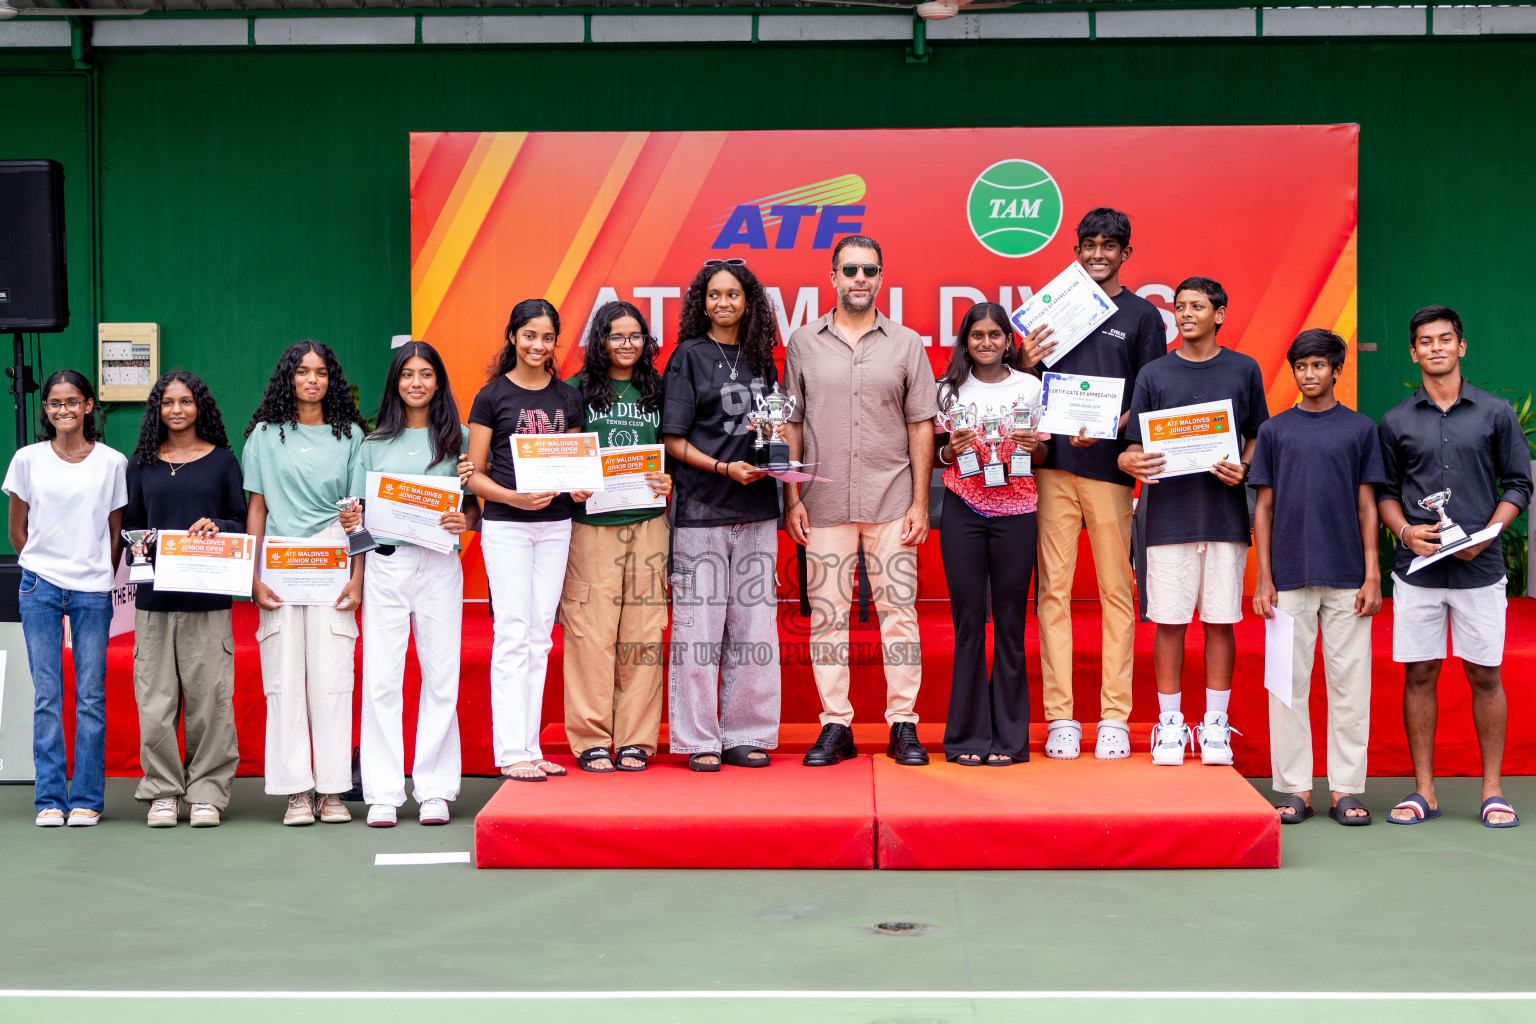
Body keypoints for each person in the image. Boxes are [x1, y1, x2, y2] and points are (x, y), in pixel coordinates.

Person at [784, 235, 939, 767]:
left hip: (892, 498)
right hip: (821, 500)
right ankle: (836, 726)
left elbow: (922, 425)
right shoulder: (802, 341)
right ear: (832, 276)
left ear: (881, 276)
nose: (859, 278)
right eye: (850, 269)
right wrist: (792, 496)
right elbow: (791, 423)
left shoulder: (907, 343)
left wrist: (921, 502)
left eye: (869, 270)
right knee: (828, 614)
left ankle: (902, 724)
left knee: (899, 613)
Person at [1021, 208, 1167, 761]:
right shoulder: (1053, 305)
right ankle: (1061, 717)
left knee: (1116, 594)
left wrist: (1112, 429)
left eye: (1110, 245)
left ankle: (1112, 717)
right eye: (1089, 244)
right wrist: (1026, 361)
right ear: (1076, 249)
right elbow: (1022, 389)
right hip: (1052, 467)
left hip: (1109, 470)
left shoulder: (1142, 315)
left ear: (1126, 253)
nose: (1098, 253)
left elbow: (1151, 395)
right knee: (1052, 594)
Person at [1376, 305, 1528, 828]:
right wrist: (1404, 531)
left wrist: (1487, 534)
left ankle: (1492, 790)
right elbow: (1386, 493)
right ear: (1413, 352)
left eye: (1445, 339)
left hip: (1479, 570)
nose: (1436, 347)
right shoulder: (1395, 420)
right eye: (1425, 341)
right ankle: (1424, 792)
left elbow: (1519, 485)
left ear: (1461, 347)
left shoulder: (1495, 412)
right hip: (1417, 571)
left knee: (1485, 675)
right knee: (1420, 674)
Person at [1119, 277, 1268, 766]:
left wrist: (1244, 468)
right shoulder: (1154, 373)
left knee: (1221, 620)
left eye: (1197, 306)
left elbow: (1257, 435)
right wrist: (1132, 460)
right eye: (1179, 306)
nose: (1185, 314)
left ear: (1219, 314)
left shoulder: (1244, 369)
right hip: (1167, 518)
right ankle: (1169, 725)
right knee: (1169, 621)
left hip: (1224, 516)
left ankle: (1215, 725)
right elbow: (1134, 444)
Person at [1250, 330, 1385, 825]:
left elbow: (1368, 505)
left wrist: (1373, 574)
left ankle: (1347, 789)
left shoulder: (1359, 429)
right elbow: (1262, 508)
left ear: (1337, 370)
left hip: (1349, 576)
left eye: (1318, 366)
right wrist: (1264, 578)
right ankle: (1294, 789)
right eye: (1301, 366)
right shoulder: (1275, 431)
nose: (1309, 375)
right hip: (1287, 578)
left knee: (1350, 687)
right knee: (1287, 687)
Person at [346, 342, 477, 827]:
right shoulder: (372, 444)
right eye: (408, 375)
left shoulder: (459, 439)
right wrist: (351, 524)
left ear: (439, 381)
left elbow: (472, 507)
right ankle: (382, 790)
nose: (417, 382)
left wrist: (465, 519)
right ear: (395, 383)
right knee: (382, 677)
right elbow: (355, 519)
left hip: (440, 565)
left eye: (426, 374)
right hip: (386, 565)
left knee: (441, 676)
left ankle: (436, 789)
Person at [661, 260, 782, 771]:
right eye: (714, 295)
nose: (724, 303)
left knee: (755, 631)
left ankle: (745, 732)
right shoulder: (687, 357)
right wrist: (721, 468)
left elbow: (775, 428)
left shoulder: (763, 360)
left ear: (749, 301)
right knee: (698, 631)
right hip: (702, 509)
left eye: (734, 294)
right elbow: (672, 440)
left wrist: (780, 461)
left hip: (756, 510)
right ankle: (697, 738)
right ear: (701, 302)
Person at [244, 341, 367, 826]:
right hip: (278, 564)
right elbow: (257, 509)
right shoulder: (263, 436)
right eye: (302, 371)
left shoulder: (353, 435)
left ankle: (333, 790)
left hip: (334, 561)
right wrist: (251, 576)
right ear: (288, 379)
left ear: (331, 379)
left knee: (333, 678)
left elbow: (358, 515)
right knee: (284, 678)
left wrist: (357, 578)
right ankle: (296, 790)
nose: (312, 379)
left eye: (320, 372)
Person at [465, 299, 589, 782]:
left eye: (547, 337)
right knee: (512, 634)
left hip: (557, 525)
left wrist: (580, 484)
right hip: (507, 527)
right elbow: (472, 475)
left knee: (540, 638)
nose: (538, 345)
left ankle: (531, 747)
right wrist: (514, 499)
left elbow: (575, 467)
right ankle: (509, 752)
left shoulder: (567, 398)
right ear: (513, 337)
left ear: (556, 342)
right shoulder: (491, 396)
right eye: (529, 335)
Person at [122, 371, 247, 828]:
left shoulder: (223, 463)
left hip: (208, 597)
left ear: (201, 407)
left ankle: (207, 793)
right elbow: (130, 524)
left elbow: (240, 520)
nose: (177, 410)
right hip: (153, 600)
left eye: (186, 401)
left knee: (210, 700)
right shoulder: (140, 464)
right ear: (157, 409)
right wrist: (138, 541)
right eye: (168, 402)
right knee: (155, 700)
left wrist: (218, 527)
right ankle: (162, 792)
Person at [3, 370, 126, 828]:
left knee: (91, 695)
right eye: (55, 403)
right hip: (39, 587)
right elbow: (18, 529)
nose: (64, 410)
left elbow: (116, 533)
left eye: (72, 402)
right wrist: (40, 566)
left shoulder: (112, 462)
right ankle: (50, 799)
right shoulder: (27, 459)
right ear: (46, 409)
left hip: (93, 588)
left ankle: (87, 799)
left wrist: (97, 575)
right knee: (48, 696)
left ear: (89, 406)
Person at [933, 303, 1047, 765]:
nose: (985, 343)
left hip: (1017, 512)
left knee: (1010, 625)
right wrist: (949, 449)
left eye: (995, 335)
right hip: (963, 509)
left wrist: (1032, 445)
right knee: (966, 626)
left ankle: (1009, 740)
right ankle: (966, 739)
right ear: (966, 341)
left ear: (1007, 341)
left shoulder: (1032, 386)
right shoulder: (947, 391)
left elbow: (1041, 456)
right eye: (976, 335)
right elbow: (936, 453)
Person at [563, 301, 672, 773]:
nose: (626, 346)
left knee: (644, 635)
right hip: (592, 528)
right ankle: (590, 738)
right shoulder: (574, 391)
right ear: (599, 342)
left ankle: (635, 740)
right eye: (616, 337)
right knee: (591, 634)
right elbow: (560, 454)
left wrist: (672, 482)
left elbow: (677, 451)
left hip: (649, 525)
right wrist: (573, 479)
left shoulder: (661, 390)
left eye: (635, 337)